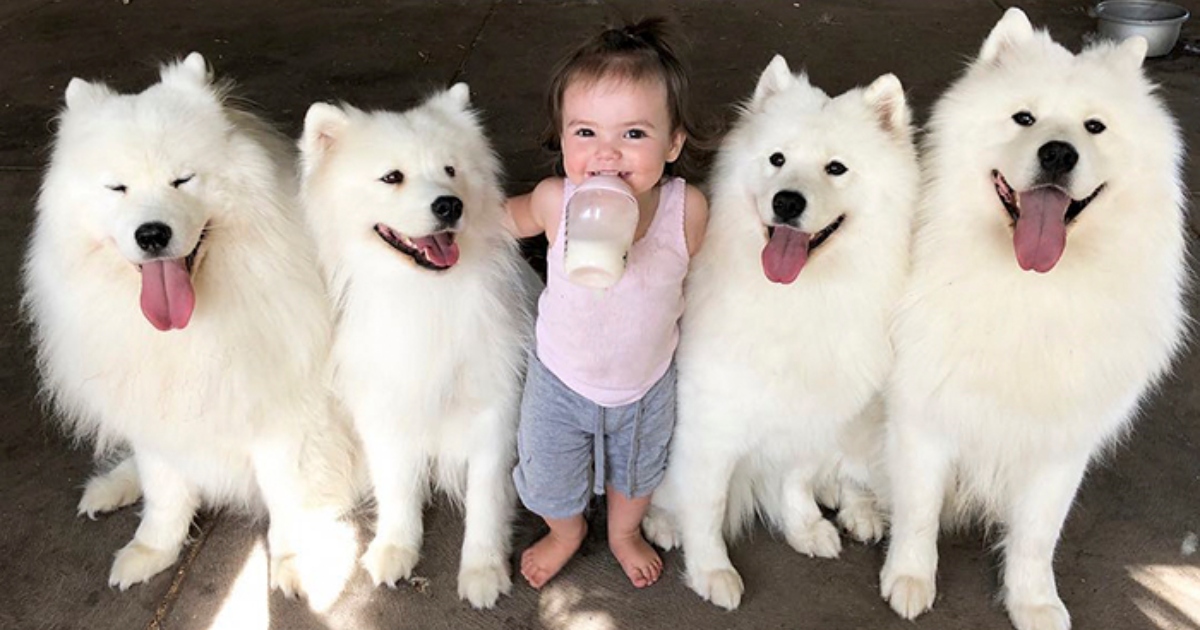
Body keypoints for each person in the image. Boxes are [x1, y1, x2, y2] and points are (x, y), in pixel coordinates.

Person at [505, 17, 709, 590]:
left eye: (634, 134)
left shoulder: (685, 210)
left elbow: (710, 272)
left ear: (673, 144)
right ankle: (565, 532)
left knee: (636, 477)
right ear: (562, 138)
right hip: (560, 378)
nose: (607, 154)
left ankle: (623, 533)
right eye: (586, 132)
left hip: (643, 385)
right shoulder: (554, 201)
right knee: (549, 475)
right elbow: (498, 221)